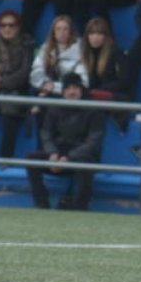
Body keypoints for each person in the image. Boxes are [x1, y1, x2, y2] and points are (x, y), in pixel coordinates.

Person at [25, 73, 102, 210]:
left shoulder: (93, 110)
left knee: (86, 163)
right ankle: (41, 203)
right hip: (58, 152)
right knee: (31, 159)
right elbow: (46, 132)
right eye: (68, 88)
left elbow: (93, 141)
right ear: (63, 91)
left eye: (75, 88)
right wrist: (53, 153)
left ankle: (81, 206)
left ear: (81, 90)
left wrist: (69, 157)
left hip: (80, 156)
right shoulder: (55, 107)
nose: (72, 92)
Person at [0, 9, 34, 158]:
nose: (7, 28)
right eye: (3, 25)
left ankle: (5, 159)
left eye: (11, 25)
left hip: (17, 91)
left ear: (18, 27)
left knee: (10, 107)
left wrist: (0, 82)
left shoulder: (27, 45)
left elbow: (24, 73)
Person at [29, 14, 87, 96]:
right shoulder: (45, 49)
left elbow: (83, 80)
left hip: (71, 94)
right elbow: (36, 72)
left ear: (71, 31)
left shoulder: (80, 50)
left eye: (65, 29)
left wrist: (54, 87)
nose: (62, 32)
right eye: (58, 29)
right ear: (53, 32)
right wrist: (44, 83)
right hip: (47, 89)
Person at [80, 16, 126, 102]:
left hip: (113, 97)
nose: (95, 37)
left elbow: (124, 82)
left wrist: (100, 90)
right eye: (92, 33)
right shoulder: (86, 54)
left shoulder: (116, 53)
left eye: (99, 34)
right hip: (93, 96)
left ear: (105, 36)